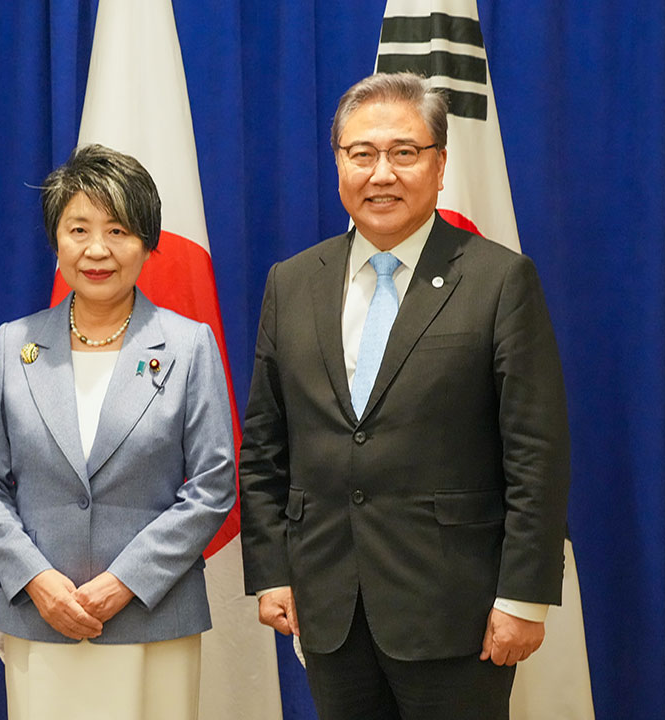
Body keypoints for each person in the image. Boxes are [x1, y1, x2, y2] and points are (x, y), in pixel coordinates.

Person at [239, 72, 571, 719]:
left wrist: (523, 598)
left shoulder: (500, 281)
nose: (380, 173)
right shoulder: (292, 282)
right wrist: (273, 569)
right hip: (328, 604)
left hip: (458, 611)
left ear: (440, 164)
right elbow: (264, 445)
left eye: (404, 152)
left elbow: (538, 454)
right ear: (338, 163)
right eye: (360, 154)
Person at [0, 144, 236, 720]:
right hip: (41, 615)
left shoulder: (188, 345)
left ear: (147, 241)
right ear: (56, 239)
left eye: (118, 230)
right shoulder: (14, 345)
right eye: (78, 228)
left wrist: (125, 582)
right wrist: (35, 579)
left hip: (152, 615)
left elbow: (213, 485)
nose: (97, 249)